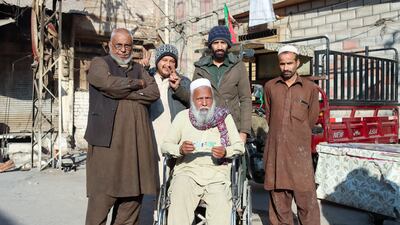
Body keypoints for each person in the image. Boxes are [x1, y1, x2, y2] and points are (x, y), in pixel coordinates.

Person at [84, 28, 160, 225]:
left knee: (132, 199)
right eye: (119, 45)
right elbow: (106, 83)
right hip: (106, 144)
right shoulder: (99, 64)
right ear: (110, 46)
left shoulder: (138, 67)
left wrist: (123, 90)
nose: (124, 50)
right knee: (101, 198)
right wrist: (137, 84)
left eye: (128, 46)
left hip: (136, 146)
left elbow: (153, 93)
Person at [161, 78, 245, 225]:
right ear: (192, 100)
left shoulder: (224, 118)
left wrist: (225, 152)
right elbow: (165, 146)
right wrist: (179, 149)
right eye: (200, 99)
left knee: (221, 206)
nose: (205, 103)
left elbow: (239, 147)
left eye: (208, 98)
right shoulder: (182, 117)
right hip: (187, 173)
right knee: (179, 199)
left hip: (216, 176)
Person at [263, 45, 320, 225]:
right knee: (279, 201)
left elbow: (311, 120)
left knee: (306, 201)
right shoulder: (270, 86)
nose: (286, 68)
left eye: (289, 63)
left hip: (300, 154)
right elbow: (269, 115)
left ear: (297, 63)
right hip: (277, 153)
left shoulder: (310, 88)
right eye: (282, 64)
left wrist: (296, 133)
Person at [192, 25, 252, 143]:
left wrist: (244, 132)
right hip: (207, 125)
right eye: (215, 43)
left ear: (228, 44)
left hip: (233, 125)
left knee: (232, 159)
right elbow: (194, 98)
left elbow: (246, 99)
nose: (219, 47)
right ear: (210, 45)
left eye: (223, 42)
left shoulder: (238, 66)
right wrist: (178, 88)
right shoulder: (200, 68)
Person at [149, 44, 190, 179]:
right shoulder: (148, 79)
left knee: (171, 177)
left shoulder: (183, 82)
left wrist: (177, 88)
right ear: (157, 62)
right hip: (151, 134)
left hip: (173, 136)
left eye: (172, 61)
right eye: (164, 60)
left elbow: (193, 103)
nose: (168, 64)